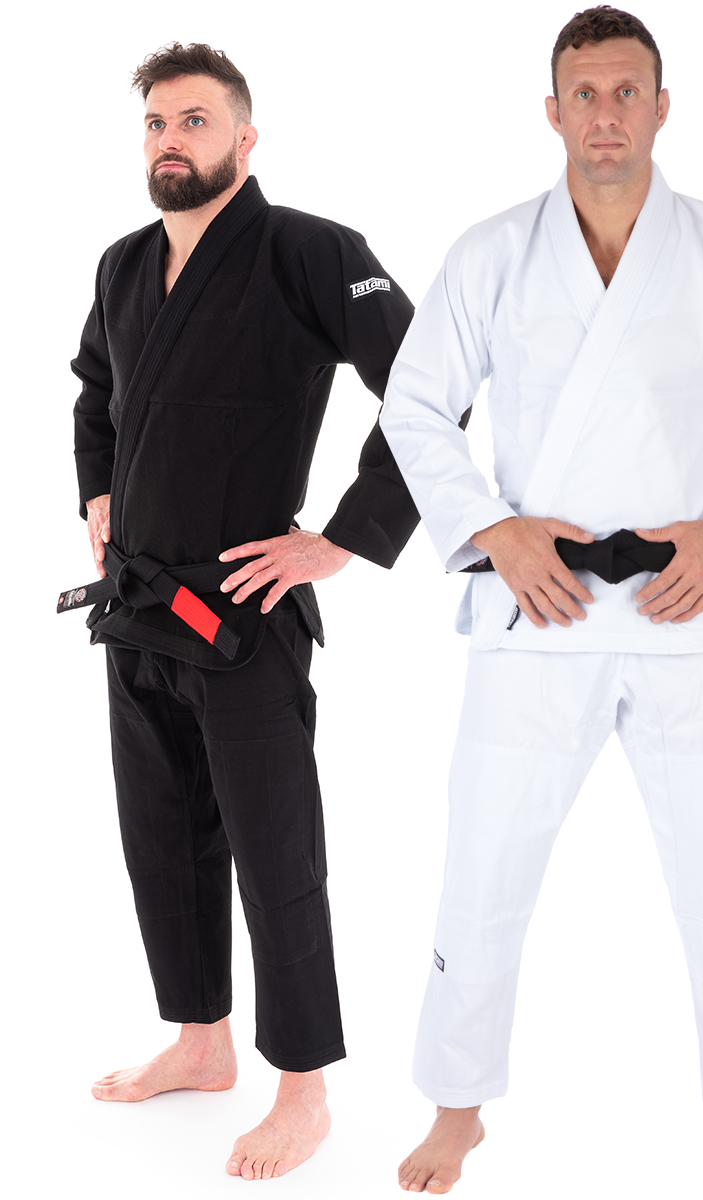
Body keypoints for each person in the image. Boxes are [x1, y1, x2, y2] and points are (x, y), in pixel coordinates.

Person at [378, 6, 703, 1193]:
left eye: (626, 91)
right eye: (583, 93)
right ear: (552, 111)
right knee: (485, 863)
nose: (605, 114)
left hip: (684, 606)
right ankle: (455, 1106)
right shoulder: (491, 250)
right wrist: (492, 526)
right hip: (539, 609)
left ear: (662, 105)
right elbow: (416, 403)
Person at [67, 42, 424, 1181]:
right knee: (161, 843)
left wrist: (346, 538)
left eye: (197, 121)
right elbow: (94, 391)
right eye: (159, 124)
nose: (173, 140)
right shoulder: (124, 265)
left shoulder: (310, 252)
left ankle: (304, 1090)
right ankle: (200, 1041)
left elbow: (431, 386)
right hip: (136, 612)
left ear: (245, 137)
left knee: (277, 857)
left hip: (244, 612)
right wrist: (97, 489)